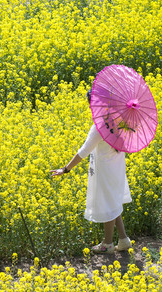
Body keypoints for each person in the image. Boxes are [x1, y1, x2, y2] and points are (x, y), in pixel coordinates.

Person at [50, 90, 132, 254]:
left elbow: (83, 152)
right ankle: (123, 240)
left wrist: (65, 169)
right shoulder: (118, 121)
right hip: (117, 170)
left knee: (109, 205)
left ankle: (107, 244)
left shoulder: (99, 126)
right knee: (114, 202)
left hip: (105, 172)